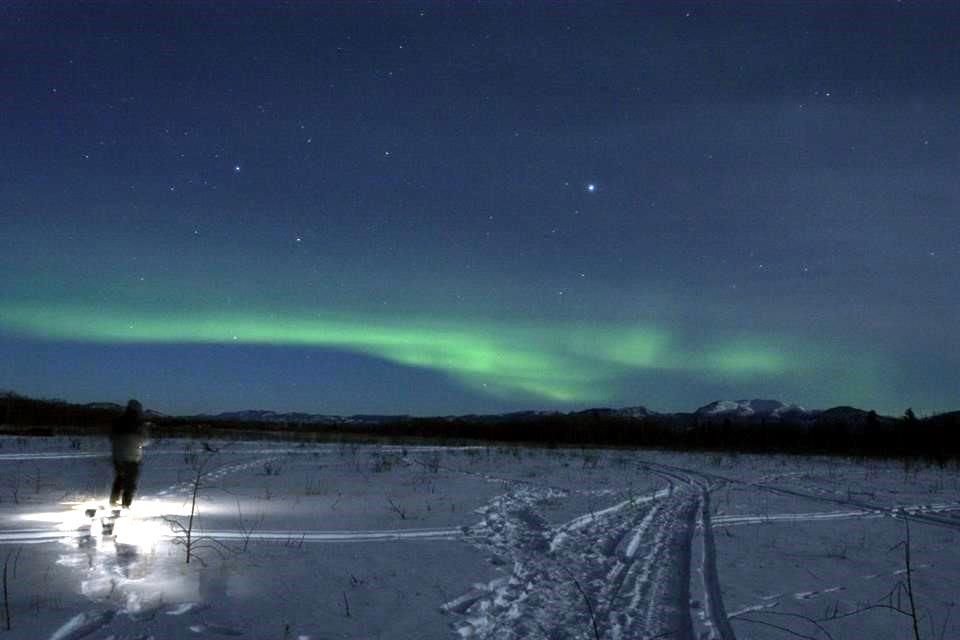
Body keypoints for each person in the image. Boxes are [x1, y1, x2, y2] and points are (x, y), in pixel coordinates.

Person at [110, 399, 148, 508]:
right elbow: (144, 439)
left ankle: (113, 501)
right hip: (132, 457)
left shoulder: (118, 421)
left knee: (120, 478)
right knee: (130, 482)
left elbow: (111, 437)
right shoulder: (138, 424)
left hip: (117, 457)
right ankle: (126, 505)